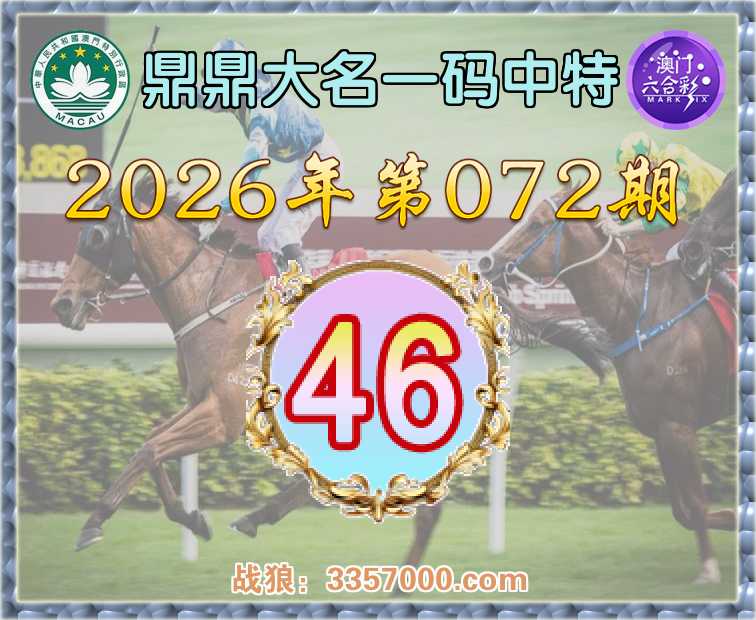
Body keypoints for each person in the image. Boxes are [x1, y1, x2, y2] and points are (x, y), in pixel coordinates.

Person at [199, 39, 343, 272]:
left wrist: (222, 208)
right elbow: (203, 98)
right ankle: (281, 286)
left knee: (284, 232)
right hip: (308, 163)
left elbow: (252, 168)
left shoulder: (260, 110)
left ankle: (304, 288)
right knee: (266, 236)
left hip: (324, 164)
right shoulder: (242, 89)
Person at [599, 131, 735, 302]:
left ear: (651, 163)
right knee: (681, 254)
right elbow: (631, 216)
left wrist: (619, 230)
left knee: (680, 255)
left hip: (731, 216)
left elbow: (663, 218)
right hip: (714, 224)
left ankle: (734, 297)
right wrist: (606, 221)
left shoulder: (674, 162)